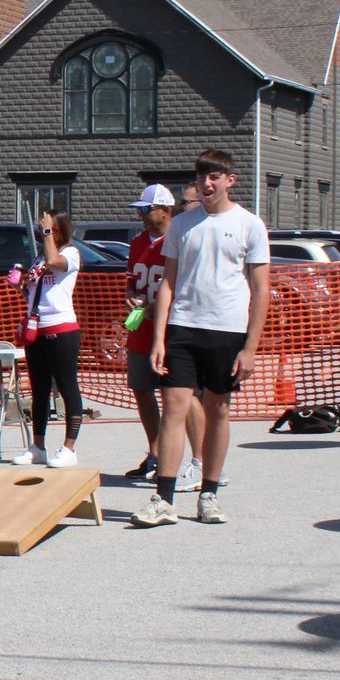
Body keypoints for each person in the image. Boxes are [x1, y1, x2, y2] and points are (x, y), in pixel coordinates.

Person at [135, 148, 271, 528]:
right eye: (201, 177)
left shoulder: (249, 225)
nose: (207, 183)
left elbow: (261, 289)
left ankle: (209, 494)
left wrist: (250, 348)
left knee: (218, 408)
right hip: (183, 326)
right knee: (174, 406)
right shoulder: (182, 224)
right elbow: (168, 283)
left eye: (214, 177)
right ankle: (163, 499)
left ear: (230, 181)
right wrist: (159, 338)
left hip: (227, 329)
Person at [122, 187, 204, 484]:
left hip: (173, 329)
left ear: (165, 211)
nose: (141, 215)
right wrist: (131, 295)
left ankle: (200, 460)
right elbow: (132, 279)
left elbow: (186, 286)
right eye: (139, 209)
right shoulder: (138, 242)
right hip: (142, 328)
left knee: (183, 394)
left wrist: (159, 307)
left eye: (146, 210)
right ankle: (155, 453)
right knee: (142, 390)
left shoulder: (180, 239)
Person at [14, 210, 84, 468]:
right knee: (39, 389)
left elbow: (56, 262)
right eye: (43, 229)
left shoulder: (70, 253)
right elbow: (35, 294)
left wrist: (46, 235)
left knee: (67, 386)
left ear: (60, 230)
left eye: (50, 229)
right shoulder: (40, 258)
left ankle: (69, 447)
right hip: (37, 327)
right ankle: (38, 446)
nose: (44, 233)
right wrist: (21, 287)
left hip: (61, 327)